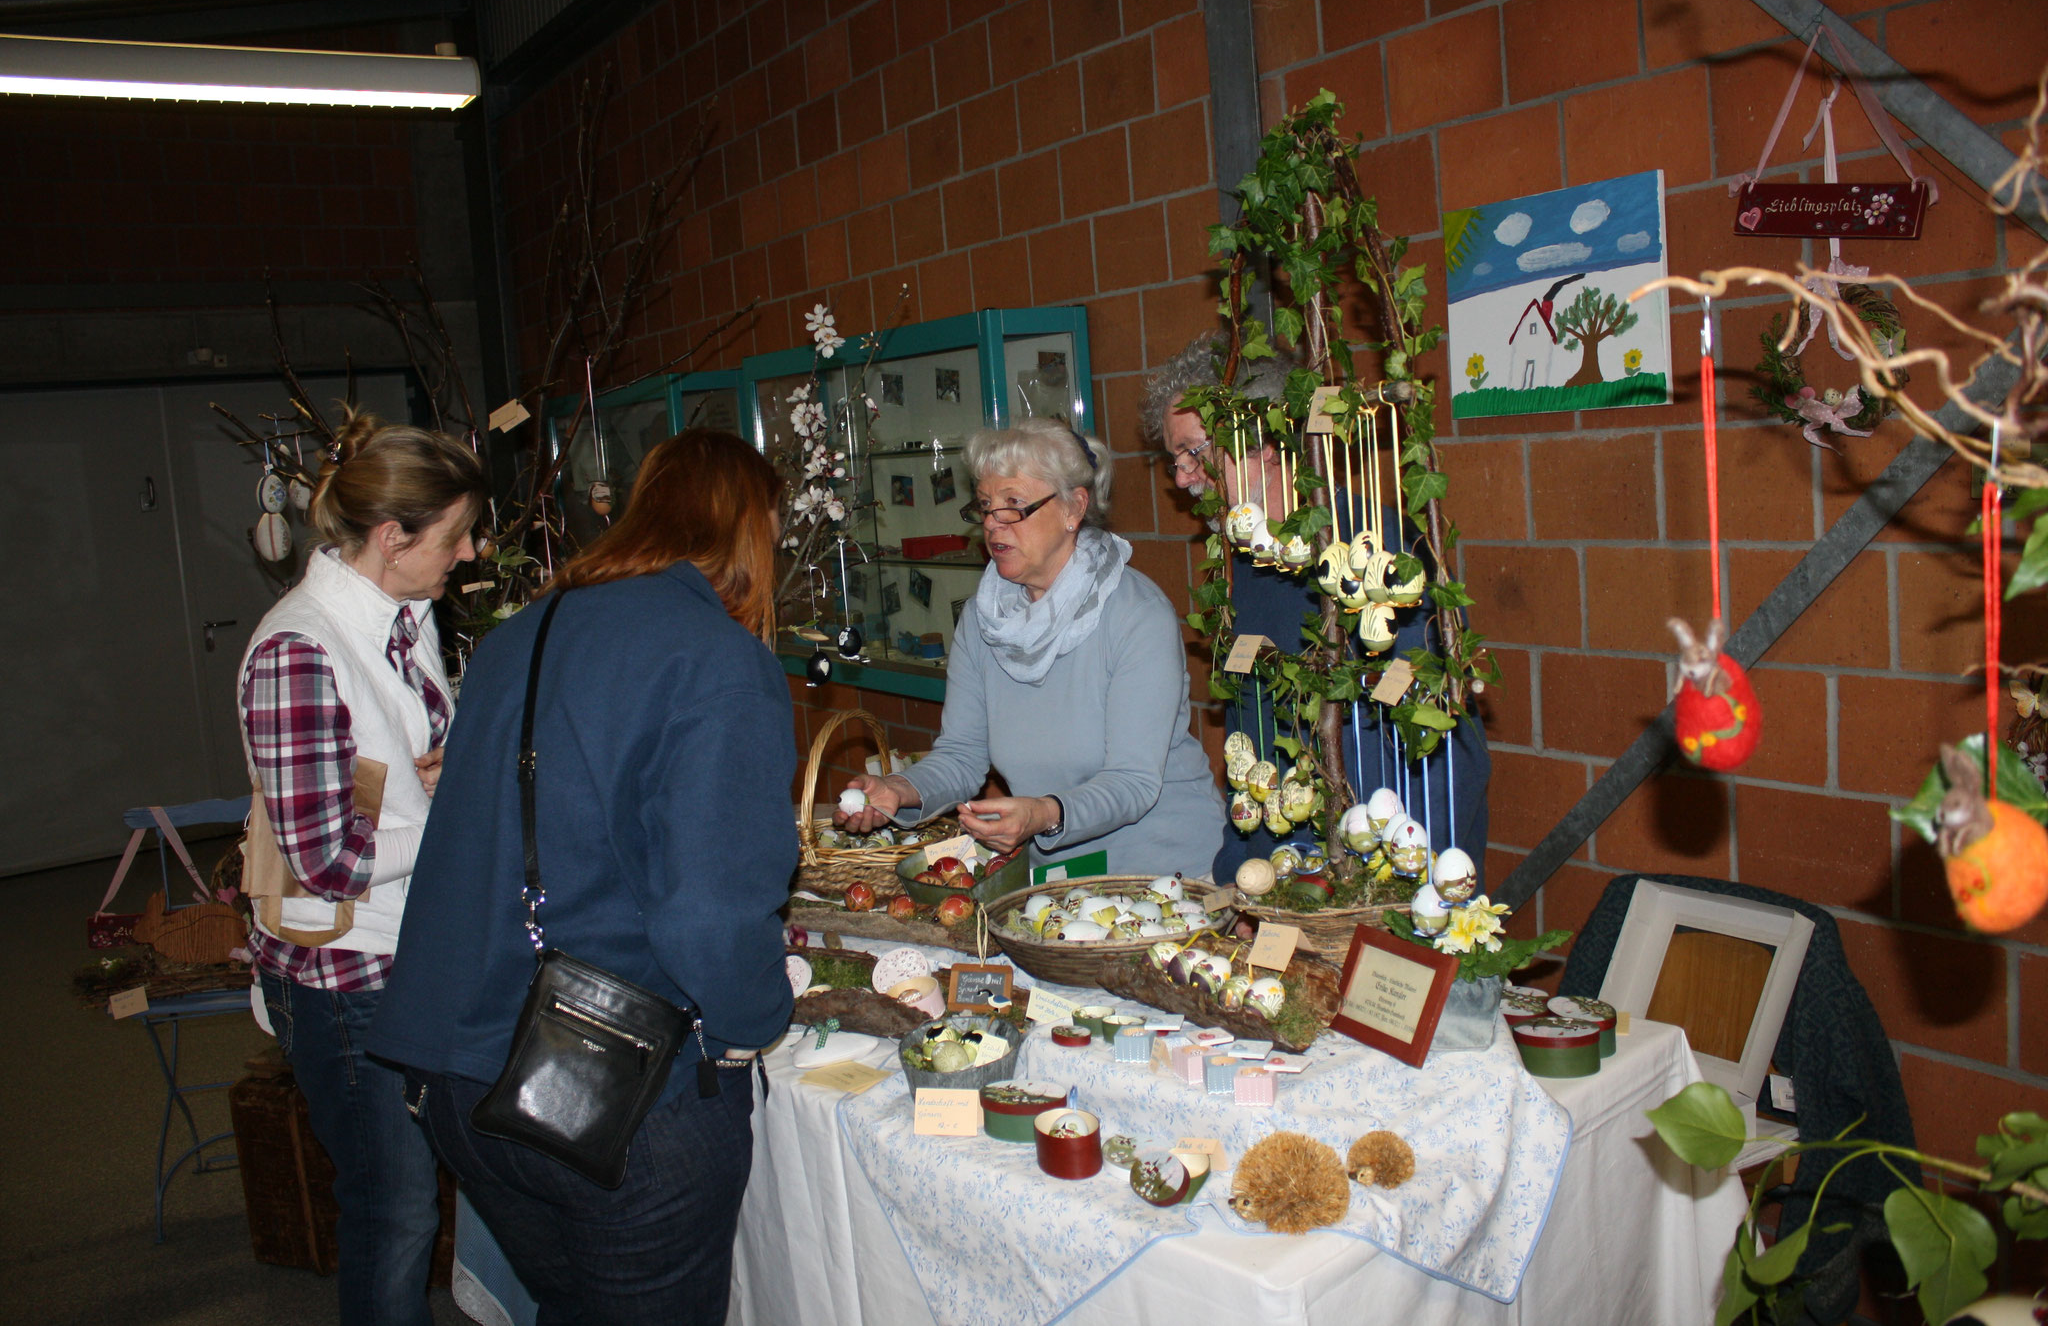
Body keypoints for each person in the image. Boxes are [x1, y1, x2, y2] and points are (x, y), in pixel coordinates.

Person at [370, 430, 797, 1326]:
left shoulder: (520, 632)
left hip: (460, 1072)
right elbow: (710, 912)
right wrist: (753, 1023)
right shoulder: (718, 658)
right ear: (748, 531)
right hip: (618, 1091)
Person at [237, 410, 488, 1326]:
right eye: (455, 537)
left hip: (408, 952)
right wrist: (463, 811)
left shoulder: (403, 618)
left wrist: (447, 766)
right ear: (393, 536)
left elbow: (403, 763)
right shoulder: (298, 650)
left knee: (413, 1201)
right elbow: (326, 859)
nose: (466, 556)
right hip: (346, 979)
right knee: (393, 1213)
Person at [1143, 336, 1492, 882]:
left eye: (1194, 452)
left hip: (1390, 882)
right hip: (1290, 878)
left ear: (1263, 438)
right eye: (1174, 461)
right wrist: (1241, 870)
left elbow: (1438, 743)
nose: (1183, 477)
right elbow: (1251, 738)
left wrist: (1398, 885)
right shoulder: (1247, 568)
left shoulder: (1376, 555)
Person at [840, 417, 1225, 876]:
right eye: (984, 506)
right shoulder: (985, 619)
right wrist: (899, 790)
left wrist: (1044, 814)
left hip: (1165, 869)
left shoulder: (1136, 613)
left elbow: (1133, 782)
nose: (993, 524)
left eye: (1013, 506)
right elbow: (962, 756)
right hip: (1060, 874)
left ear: (1073, 509)